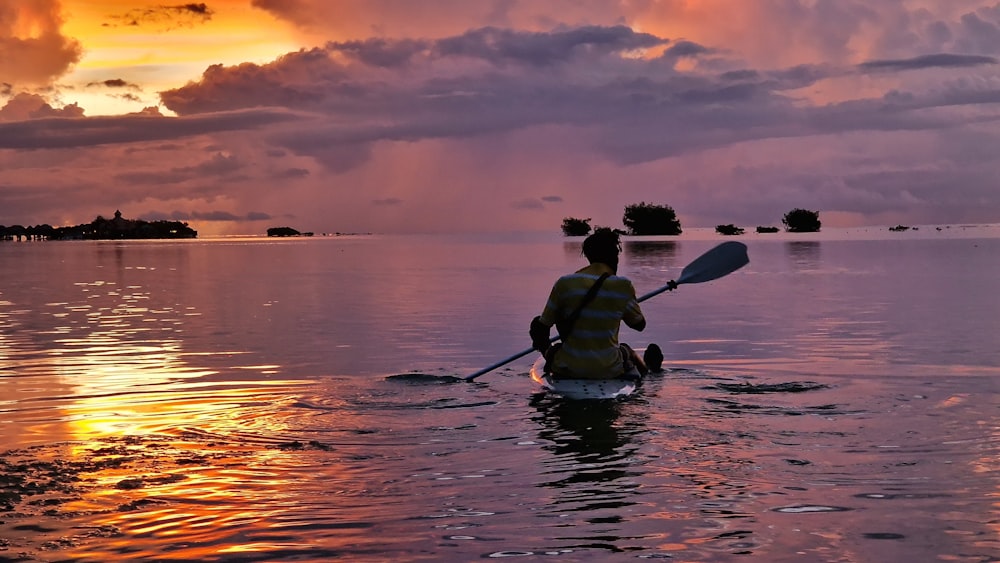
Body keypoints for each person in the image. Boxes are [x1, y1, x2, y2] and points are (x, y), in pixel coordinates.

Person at [530, 228, 661, 379]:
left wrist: (545, 348)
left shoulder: (564, 283)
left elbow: (542, 328)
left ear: (588, 256)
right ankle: (651, 372)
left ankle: (551, 357)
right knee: (626, 350)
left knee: (537, 324)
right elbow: (639, 325)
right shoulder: (623, 286)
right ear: (615, 256)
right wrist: (623, 304)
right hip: (610, 369)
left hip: (568, 368)